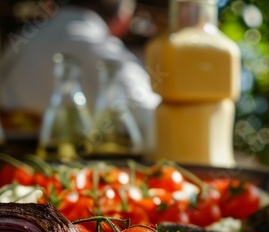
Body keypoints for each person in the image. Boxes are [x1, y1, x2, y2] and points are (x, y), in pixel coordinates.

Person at [0, 0, 158, 143]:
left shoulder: (23, 39)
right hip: (59, 164)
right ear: (122, 20)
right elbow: (151, 120)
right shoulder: (103, 51)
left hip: (11, 163)